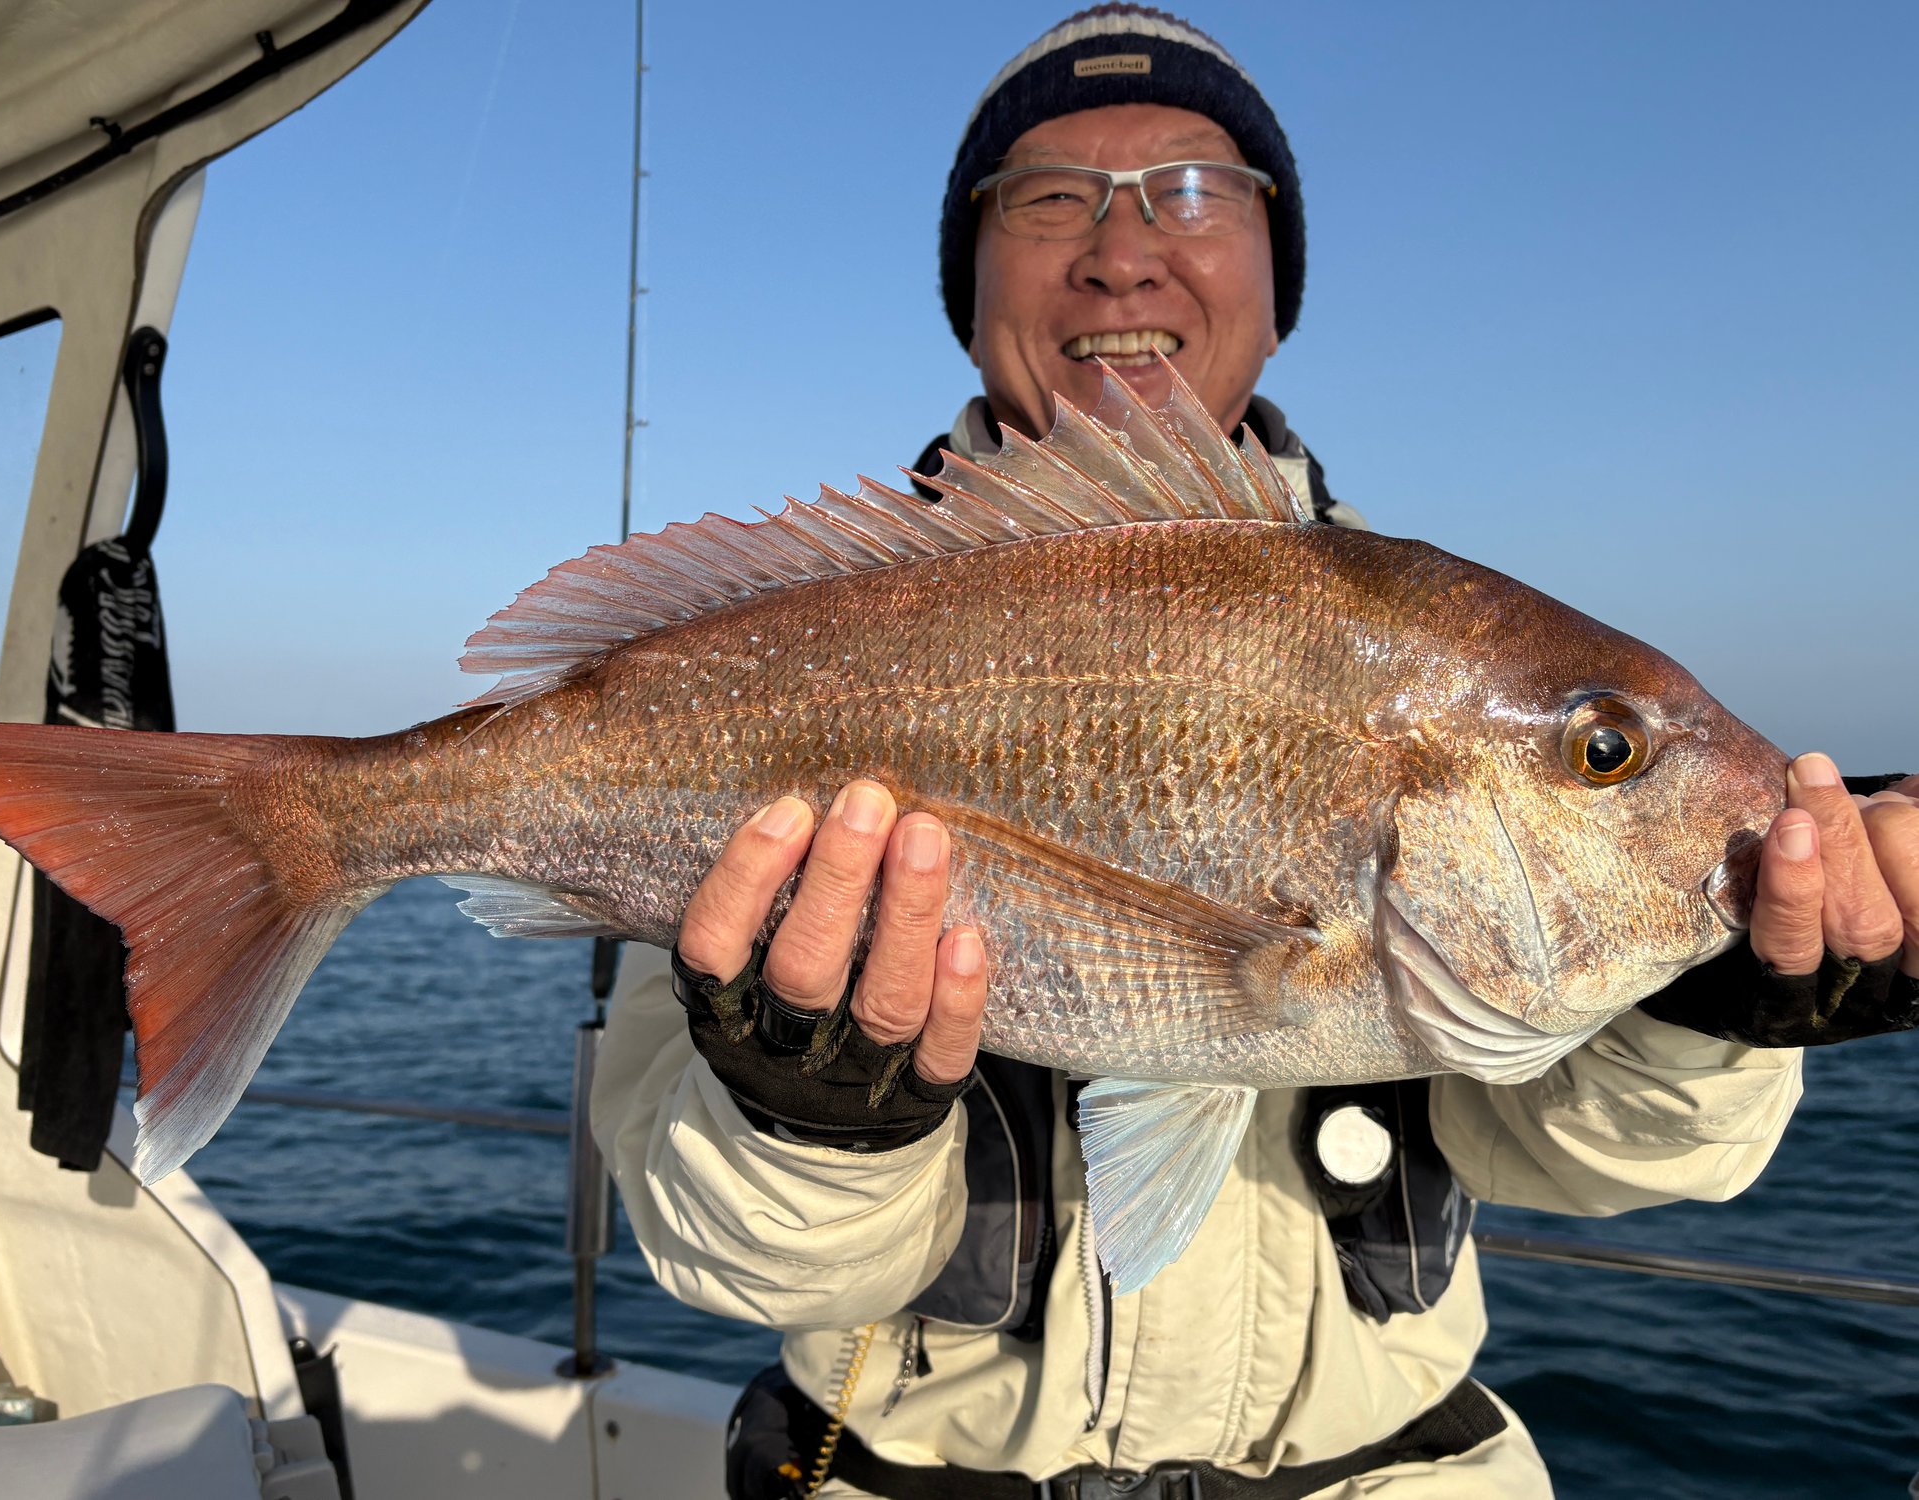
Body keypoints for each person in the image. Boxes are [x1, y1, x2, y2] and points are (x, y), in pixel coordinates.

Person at [591, 8, 1919, 1497]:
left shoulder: (1435, 625)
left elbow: (1580, 1163)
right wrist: (802, 1112)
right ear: (968, 289)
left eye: (1193, 192)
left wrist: (1702, 1011)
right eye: (1044, 199)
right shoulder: (786, 668)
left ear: (1276, 285)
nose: (1120, 250)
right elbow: (724, 1258)